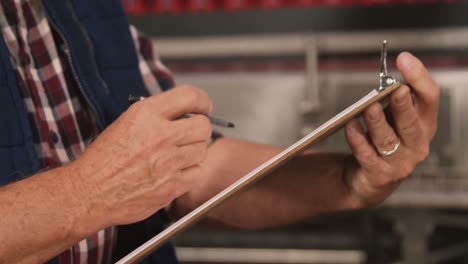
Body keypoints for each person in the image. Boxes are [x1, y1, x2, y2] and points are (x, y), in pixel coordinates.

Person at [0, 0, 439, 263]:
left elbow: (193, 170)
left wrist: (348, 181)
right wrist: (88, 192)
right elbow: (115, 180)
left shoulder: (88, 12)